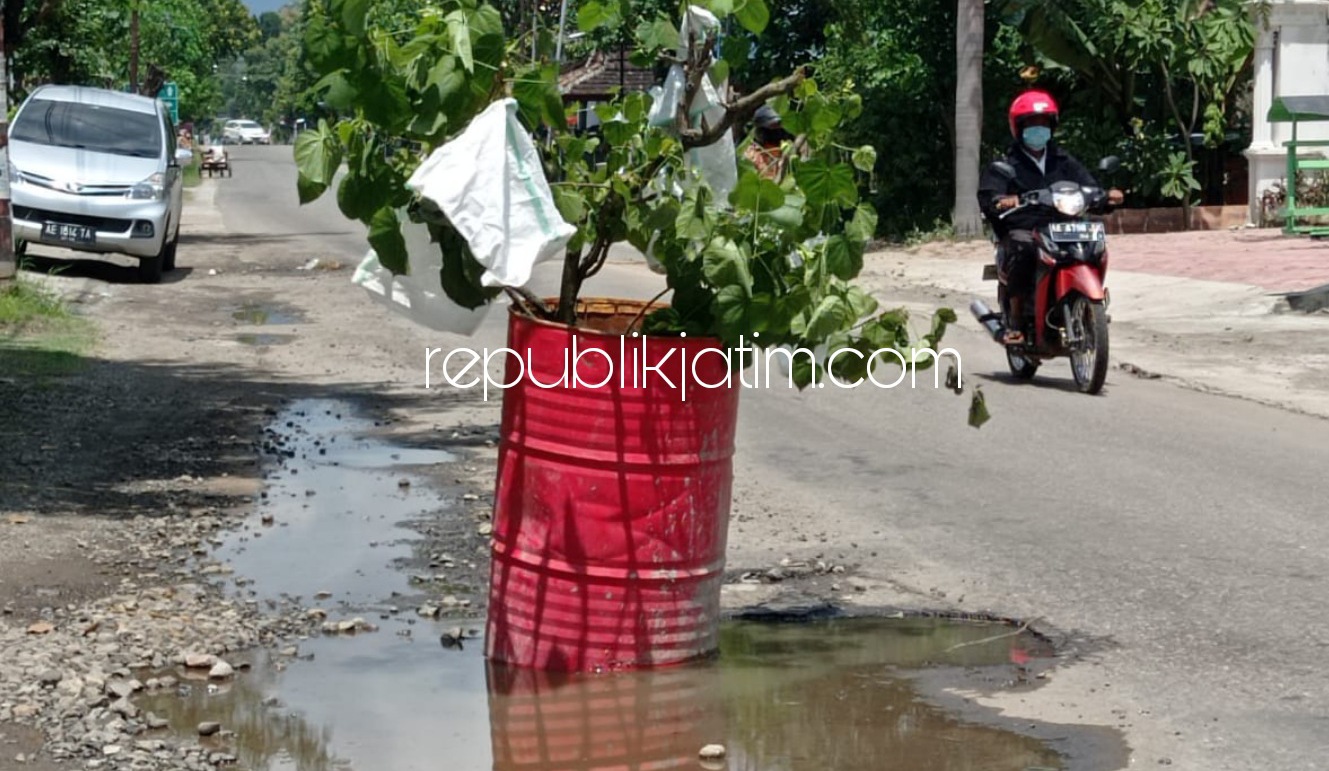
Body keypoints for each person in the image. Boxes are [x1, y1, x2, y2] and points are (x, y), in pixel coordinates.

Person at [977, 89, 1124, 345]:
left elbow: (1088, 185)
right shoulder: (1006, 165)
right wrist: (1004, 200)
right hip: (1025, 227)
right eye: (1032, 124)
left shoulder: (1063, 160)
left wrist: (1105, 196)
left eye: (1043, 124)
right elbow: (991, 196)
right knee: (1024, 247)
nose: (1038, 129)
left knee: (1093, 245)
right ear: (1019, 127)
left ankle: (1090, 301)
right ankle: (1016, 320)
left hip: (1063, 226)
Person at [744, 105, 792, 180]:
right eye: (772, 127)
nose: (776, 131)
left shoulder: (784, 150)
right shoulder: (751, 154)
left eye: (777, 126)